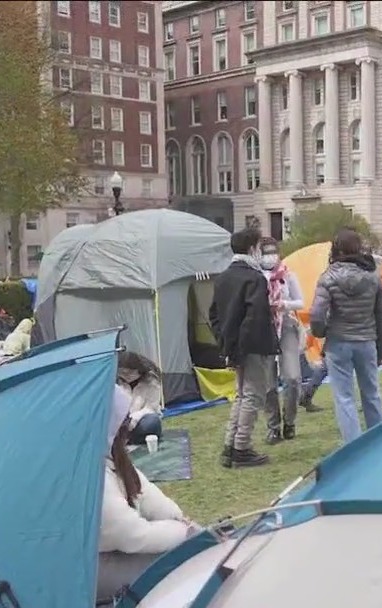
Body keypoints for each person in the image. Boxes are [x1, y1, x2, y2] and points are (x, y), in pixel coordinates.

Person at [98, 385, 200, 600]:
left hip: (115, 550)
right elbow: (131, 535)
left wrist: (178, 518)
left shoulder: (110, 456)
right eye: (125, 422)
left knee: (193, 549)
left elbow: (144, 491)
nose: (130, 427)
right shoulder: (92, 476)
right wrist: (184, 534)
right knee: (176, 568)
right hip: (91, 567)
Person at [310, 228, 382, 444]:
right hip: (367, 341)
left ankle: (353, 445)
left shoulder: (327, 278)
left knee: (344, 398)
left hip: (339, 342)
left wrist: (322, 332)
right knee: (371, 392)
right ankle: (380, 440)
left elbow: (317, 315)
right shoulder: (374, 279)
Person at [210, 227, 277, 468]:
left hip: (233, 345)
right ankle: (242, 446)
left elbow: (214, 316)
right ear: (252, 248)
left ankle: (230, 445)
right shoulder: (254, 278)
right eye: (260, 247)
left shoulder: (223, 277)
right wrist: (243, 346)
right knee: (253, 395)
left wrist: (226, 343)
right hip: (252, 346)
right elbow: (255, 316)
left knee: (240, 395)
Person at [258, 237, 305, 444]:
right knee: (268, 383)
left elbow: (300, 302)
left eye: (272, 252)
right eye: (265, 252)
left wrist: (283, 304)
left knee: (292, 378)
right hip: (264, 327)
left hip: (286, 324)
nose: (270, 256)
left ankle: (290, 421)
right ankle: (273, 426)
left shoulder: (288, 275)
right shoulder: (256, 277)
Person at [116, 351, 164, 446]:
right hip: (120, 423)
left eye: (130, 372)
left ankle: (133, 440)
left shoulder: (152, 382)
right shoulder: (116, 384)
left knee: (152, 422)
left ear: (139, 370)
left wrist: (134, 418)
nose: (127, 375)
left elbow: (150, 408)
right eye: (122, 372)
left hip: (140, 420)